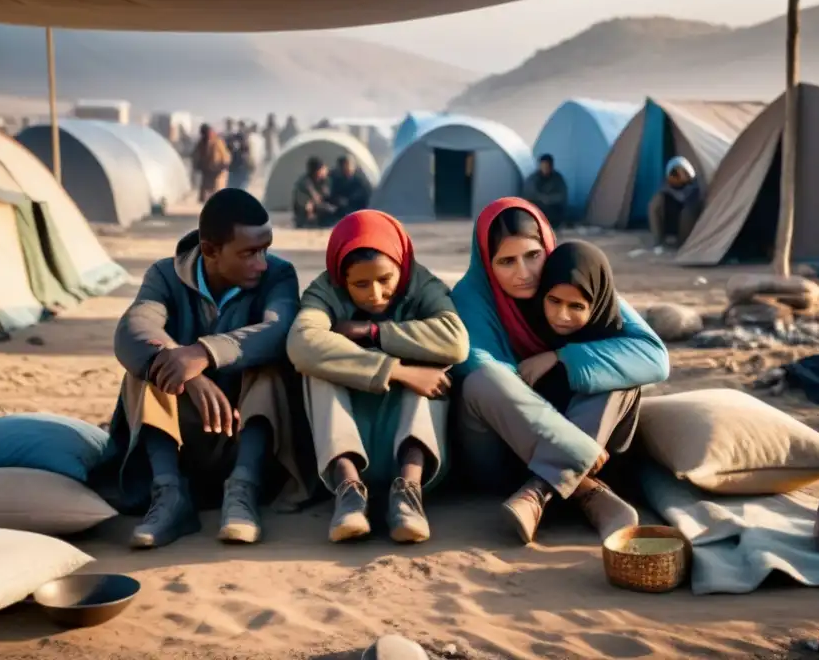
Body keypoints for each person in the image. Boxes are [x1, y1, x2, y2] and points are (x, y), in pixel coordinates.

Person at [451, 198, 669, 543]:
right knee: (483, 379)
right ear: (486, 262)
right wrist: (573, 447)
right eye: (506, 261)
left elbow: (654, 357)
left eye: (532, 255)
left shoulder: (568, 277)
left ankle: (539, 490)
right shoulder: (471, 297)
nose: (523, 273)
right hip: (502, 452)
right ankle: (583, 489)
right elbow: (479, 365)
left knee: (619, 373)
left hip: (580, 438)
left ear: (547, 247)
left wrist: (560, 356)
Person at [108, 189, 313, 549]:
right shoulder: (165, 275)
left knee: (268, 369)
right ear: (210, 251)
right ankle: (169, 494)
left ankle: (243, 491)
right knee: (150, 366)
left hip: (248, 436)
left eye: (265, 249)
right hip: (185, 440)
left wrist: (205, 352)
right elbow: (132, 329)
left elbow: (280, 330)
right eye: (249, 253)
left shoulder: (279, 275)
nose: (262, 262)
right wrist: (190, 374)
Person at [287, 210, 468, 543]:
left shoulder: (421, 284)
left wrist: (373, 331)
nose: (375, 294)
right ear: (342, 278)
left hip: (408, 435)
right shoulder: (325, 291)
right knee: (317, 369)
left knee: (433, 364)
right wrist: (398, 370)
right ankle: (349, 491)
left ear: (401, 264)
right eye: (360, 284)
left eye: (386, 279)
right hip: (352, 430)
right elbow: (302, 343)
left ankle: (409, 492)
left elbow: (455, 342)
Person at [648, 156, 702, 247]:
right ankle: (659, 240)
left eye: (679, 173)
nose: (675, 177)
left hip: (686, 219)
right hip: (670, 218)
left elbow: (687, 197)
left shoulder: (694, 186)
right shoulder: (667, 187)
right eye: (673, 174)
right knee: (654, 204)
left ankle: (682, 243)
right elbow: (665, 192)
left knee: (687, 213)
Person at [523, 154, 569, 230]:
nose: (545, 168)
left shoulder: (557, 178)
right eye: (543, 166)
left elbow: (562, 196)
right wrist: (541, 198)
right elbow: (528, 194)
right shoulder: (533, 179)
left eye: (547, 166)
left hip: (552, 209)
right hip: (537, 209)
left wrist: (549, 199)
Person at [293, 156, 338, 228]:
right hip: (306, 214)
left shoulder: (324, 181)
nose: (325, 170)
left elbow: (327, 195)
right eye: (322, 169)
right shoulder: (305, 183)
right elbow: (307, 203)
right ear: (317, 171)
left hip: (317, 208)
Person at [192, 124, 230, 202]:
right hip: (207, 170)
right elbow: (196, 154)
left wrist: (223, 165)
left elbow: (225, 155)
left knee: (216, 189)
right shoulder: (201, 143)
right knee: (206, 189)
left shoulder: (217, 141)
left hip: (217, 169)